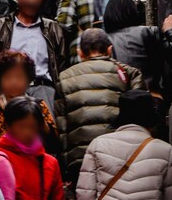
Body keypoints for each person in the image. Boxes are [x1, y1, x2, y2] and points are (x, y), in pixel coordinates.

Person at [55, 28, 144, 180]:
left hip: (81, 160)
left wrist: (66, 167)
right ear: (109, 50)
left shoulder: (64, 78)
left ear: (80, 53)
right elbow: (139, 119)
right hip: (120, 155)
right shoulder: (129, 74)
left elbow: (62, 128)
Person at [102, 0, 172, 97]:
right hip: (151, 97)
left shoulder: (104, 40)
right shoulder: (149, 32)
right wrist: (169, 31)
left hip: (119, 99)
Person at [0, 50, 57, 149]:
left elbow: (53, 143)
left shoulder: (39, 106)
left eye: (19, 77)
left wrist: (39, 120)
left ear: (29, 80)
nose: (13, 82)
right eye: (8, 77)